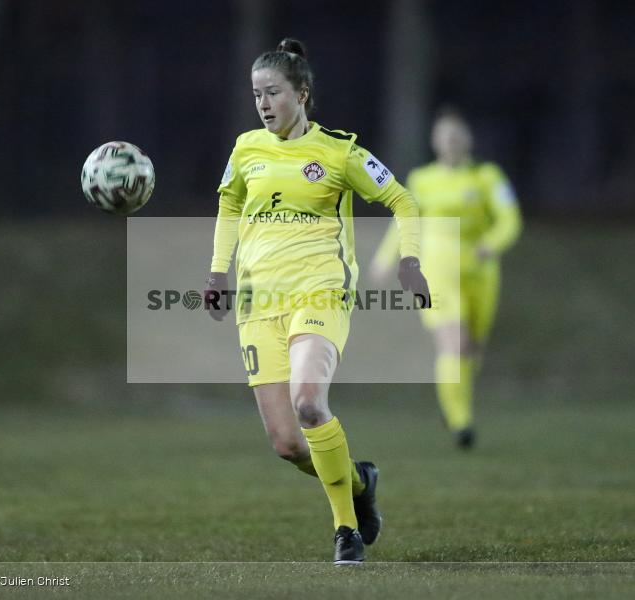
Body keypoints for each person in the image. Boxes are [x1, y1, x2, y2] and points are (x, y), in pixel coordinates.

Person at [205, 38, 431, 565]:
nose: (263, 104)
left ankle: (346, 530)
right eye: (256, 94)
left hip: (320, 292)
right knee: (287, 444)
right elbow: (230, 210)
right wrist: (218, 273)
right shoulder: (246, 150)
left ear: (302, 94)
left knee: (310, 403)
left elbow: (403, 198)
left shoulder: (338, 152)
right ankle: (359, 481)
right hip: (259, 304)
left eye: (273, 93)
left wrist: (411, 261)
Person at [370, 107, 522, 449]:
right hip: (435, 268)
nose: (451, 143)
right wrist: (385, 258)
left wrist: (492, 243)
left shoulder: (486, 176)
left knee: (472, 348)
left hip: (480, 271)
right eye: (445, 137)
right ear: (435, 142)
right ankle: (460, 421)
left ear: (467, 140)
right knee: (453, 341)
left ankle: (453, 404)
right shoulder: (422, 180)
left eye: (457, 136)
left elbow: (509, 219)